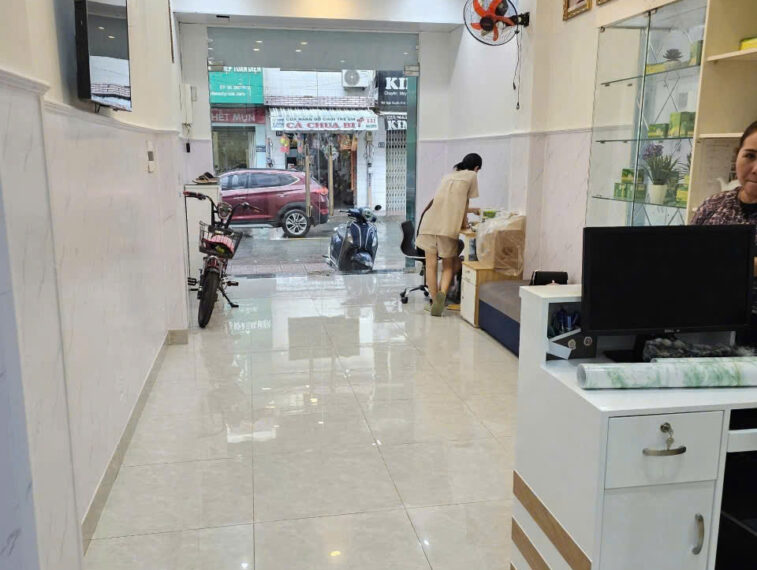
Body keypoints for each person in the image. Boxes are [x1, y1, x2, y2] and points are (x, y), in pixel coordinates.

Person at [692, 120, 757, 342]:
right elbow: (686, 258)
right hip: (706, 324)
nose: (756, 169)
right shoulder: (714, 204)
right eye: (750, 156)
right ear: (737, 155)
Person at [416, 153, 482, 316]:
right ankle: (442, 296)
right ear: (476, 168)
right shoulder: (472, 175)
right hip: (447, 228)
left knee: (430, 266)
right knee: (448, 265)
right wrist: (465, 225)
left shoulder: (448, 176)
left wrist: (470, 212)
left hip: (428, 224)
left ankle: (434, 302)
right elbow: (464, 203)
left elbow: (448, 203)